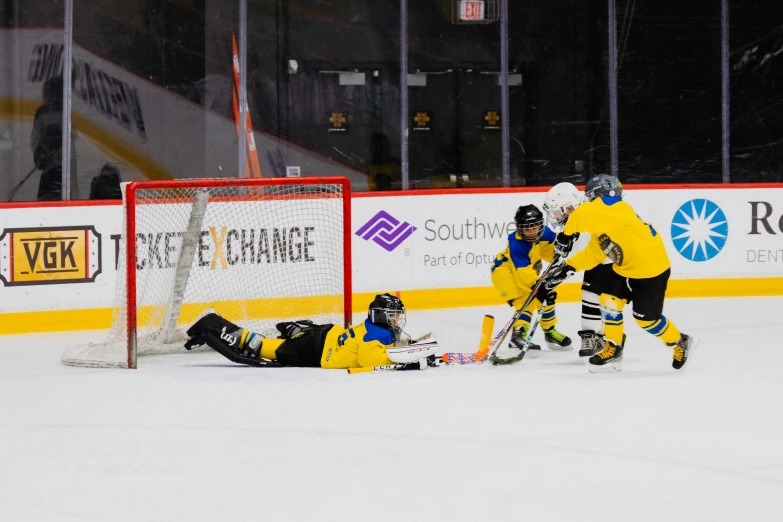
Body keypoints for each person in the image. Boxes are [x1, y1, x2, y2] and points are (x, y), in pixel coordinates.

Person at [541, 180, 698, 372]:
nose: (589, 201)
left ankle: (680, 341)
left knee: (647, 320)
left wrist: (565, 235)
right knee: (608, 301)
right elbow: (596, 252)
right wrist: (568, 267)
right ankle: (614, 348)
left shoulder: (615, 208)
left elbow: (584, 213)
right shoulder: (602, 220)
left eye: (591, 197)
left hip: (651, 271)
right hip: (627, 269)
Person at [184, 293, 440, 370]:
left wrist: (412, 349)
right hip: (315, 349)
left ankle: (295, 330)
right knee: (262, 348)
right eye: (394, 316)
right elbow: (369, 360)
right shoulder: (377, 335)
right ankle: (211, 324)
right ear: (383, 317)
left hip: (326, 336)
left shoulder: (377, 329)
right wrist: (409, 361)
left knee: (283, 342)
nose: (397, 320)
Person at [490, 204, 572, 357]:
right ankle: (518, 335)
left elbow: (553, 253)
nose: (532, 231)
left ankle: (550, 332)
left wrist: (566, 262)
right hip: (505, 274)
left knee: (547, 296)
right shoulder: (517, 244)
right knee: (526, 300)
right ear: (520, 229)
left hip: (526, 273)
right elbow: (524, 274)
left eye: (535, 227)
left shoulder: (545, 234)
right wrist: (538, 286)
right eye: (527, 228)